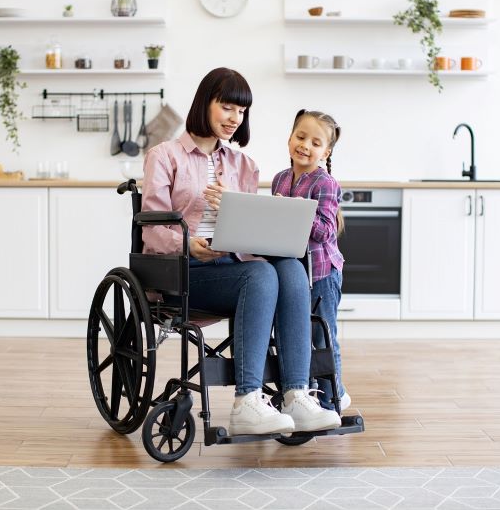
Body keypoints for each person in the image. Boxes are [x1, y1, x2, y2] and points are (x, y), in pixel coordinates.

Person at [141, 68, 341, 436]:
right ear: (205, 104)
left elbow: (251, 233)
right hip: (183, 270)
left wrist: (242, 207)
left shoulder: (243, 165)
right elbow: (152, 230)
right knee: (262, 274)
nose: (235, 118)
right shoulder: (165, 156)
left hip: (235, 265)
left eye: (242, 111)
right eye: (228, 107)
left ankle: (296, 393)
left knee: (291, 267)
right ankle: (246, 400)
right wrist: (189, 244)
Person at [271, 109, 350, 412]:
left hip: (321, 275)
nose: (305, 145)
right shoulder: (280, 179)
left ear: (326, 151)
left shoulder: (325, 183)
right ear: (290, 138)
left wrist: (294, 210)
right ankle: (306, 396)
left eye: (315, 142)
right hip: (293, 274)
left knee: (323, 337)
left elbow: (326, 231)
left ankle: (334, 399)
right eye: (300, 137)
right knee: (298, 337)